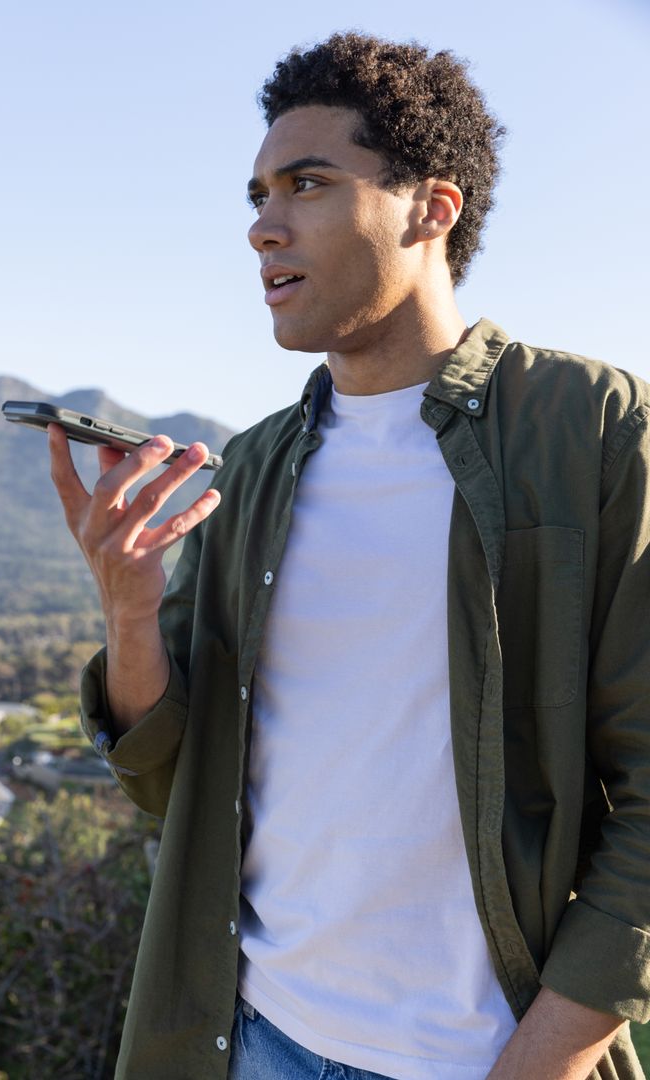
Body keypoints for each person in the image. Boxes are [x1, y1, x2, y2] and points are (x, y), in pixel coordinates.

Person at [48, 31, 650, 1080]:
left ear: (432, 209)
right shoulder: (256, 466)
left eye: (308, 184)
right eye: (256, 195)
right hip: (256, 1041)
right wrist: (131, 615)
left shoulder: (592, 431)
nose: (262, 227)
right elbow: (168, 780)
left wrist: (535, 1066)